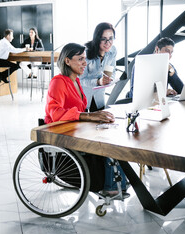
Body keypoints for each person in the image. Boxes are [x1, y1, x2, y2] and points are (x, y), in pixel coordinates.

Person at [45, 42, 128, 196]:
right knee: (108, 142)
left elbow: (80, 110)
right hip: (63, 133)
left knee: (113, 133)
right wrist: (89, 116)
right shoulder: (58, 82)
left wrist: (95, 118)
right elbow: (55, 113)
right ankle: (110, 186)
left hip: (76, 128)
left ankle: (117, 182)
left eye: (85, 58)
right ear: (67, 61)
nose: (85, 63)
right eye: (80, 59)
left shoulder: (76, 80)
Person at [80, 22, 117, 112]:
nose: (108, 43)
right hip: (83, 97)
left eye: (110, 38)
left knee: (99, 123)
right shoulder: (85, 53)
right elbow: (80, 80)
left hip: (99, 97)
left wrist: (108, 79)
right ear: (97, 39)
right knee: (84, 125)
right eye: (104, 39)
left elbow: (111, 72)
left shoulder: (112, 51)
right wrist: (98, 82)